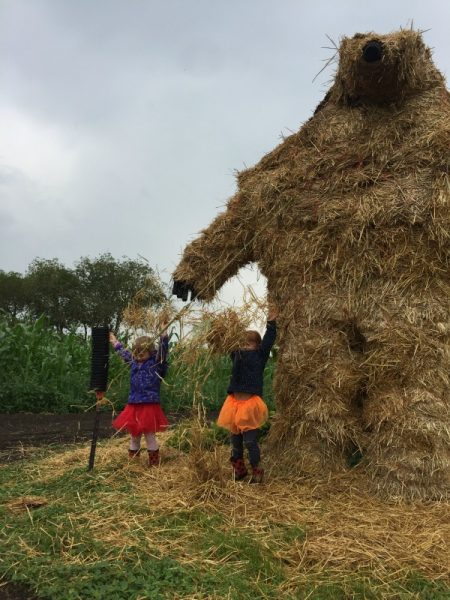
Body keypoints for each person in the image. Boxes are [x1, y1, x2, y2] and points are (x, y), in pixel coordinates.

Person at [217, 308, 277, 483]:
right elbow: (229, 341)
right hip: (233, 404)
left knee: (250, 442)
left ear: (256, 346)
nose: (244, 346)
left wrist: (271, 323)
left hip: (250, 405)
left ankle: (257, 470)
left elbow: (269, 340)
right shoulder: (236, 355)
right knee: (235, 442)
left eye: (249, 344)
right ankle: (240, 470)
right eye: (242, 343)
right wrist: (233, 324)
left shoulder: (260, 355)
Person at [110, 327, 169, 467]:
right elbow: (123, 353)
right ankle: (133, 464)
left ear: (151, 352)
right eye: (136, 351)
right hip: (134, 405)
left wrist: (164, 336)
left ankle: (154, 464)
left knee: (149, 436)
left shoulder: (155, 364)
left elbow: (163, 352)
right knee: (134, 436)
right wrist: (114, 341)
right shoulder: (133, 363)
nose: (139, 354)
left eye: (143, 351)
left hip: (149, 405)